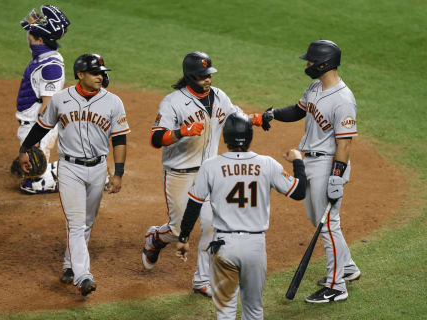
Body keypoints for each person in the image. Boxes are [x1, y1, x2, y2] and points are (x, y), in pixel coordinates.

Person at [142, 52, 263, 297]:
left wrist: (256, 119)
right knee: (177, 230)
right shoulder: (173, 102)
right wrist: (182, 132)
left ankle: (202, 280)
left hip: (209, 173)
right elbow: (156, 138)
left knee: (211, 226)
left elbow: (235, 116)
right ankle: (154, 238)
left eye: (209, 74)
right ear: (190, 76)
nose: (207, 79)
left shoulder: (220, 97)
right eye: (201, 76)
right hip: (179, 174)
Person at [176, 112, 307, 319]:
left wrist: (183, 238)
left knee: (226, 311)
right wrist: (298, 161)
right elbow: (299, 193)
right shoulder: (267, 164)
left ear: (226, 138)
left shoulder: (211, 166)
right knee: (254, 310)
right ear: (249, 137)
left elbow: (194, 205)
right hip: (255, 247)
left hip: (224, 246)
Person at [18, 53, 130, 296]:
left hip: (99, 169)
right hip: (69, 169)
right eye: (95, 73)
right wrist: (24, 148)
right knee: (77, 223)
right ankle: (83, 276)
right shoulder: (60, 99)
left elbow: (120, 139)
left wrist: (118, 172)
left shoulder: (113, 102)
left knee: (86, 222)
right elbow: (42, 126)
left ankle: (69, 265)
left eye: (102, 72)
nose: (101, 76)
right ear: (80, 75)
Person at [261, 40, 361, 303]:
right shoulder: (316, 87)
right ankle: (347, 267)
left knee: (327, 224)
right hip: (312, 161)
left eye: (311, 61)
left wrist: (336, 176)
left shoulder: (343, 100)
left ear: (324, 63)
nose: (307, 65)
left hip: (329, 163)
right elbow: (297, 110)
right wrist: (271, 114)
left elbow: (345, 143)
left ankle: (336, 286)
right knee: (323, 221)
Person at [16, 5, 70, 194]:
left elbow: (48, 106)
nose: (28, 35)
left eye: (31, 34)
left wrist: (37, 138)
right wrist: (35, 21)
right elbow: (28, 27)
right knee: (31, 168)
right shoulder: (44, 54)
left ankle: (81, 175)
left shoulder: (51, 67)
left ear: (39, 40)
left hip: (38, 123)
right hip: (30, 121)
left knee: (32, 182)